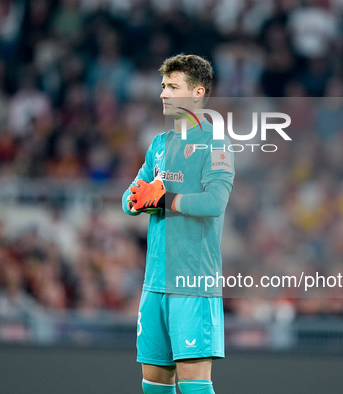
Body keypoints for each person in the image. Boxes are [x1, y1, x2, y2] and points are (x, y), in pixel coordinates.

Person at [122, 54, 234, 394]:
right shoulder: (158, 145)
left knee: (194, 385)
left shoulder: (216, 143)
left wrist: (164, 200)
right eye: (163, 86)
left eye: (173, 87)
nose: (163, 94)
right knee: (154, 385)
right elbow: (130, 198)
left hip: (193, 282)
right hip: (155, 282)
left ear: (197, 93)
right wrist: (136, 201)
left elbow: (215, 202)